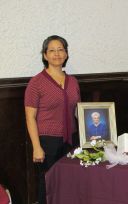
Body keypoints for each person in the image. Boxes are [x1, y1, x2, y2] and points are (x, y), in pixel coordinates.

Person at [24, 35, 81, 204]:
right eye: (52, 50)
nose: (57, 54)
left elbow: (77, 111)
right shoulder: (36, 83)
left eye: (60, 49)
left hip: (71, 139)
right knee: (48, 183)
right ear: (45, 55)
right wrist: (36, 147)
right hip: (47, 141)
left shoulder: (73, 82)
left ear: (66, 54)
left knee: (69, 182)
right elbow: (30, 117)